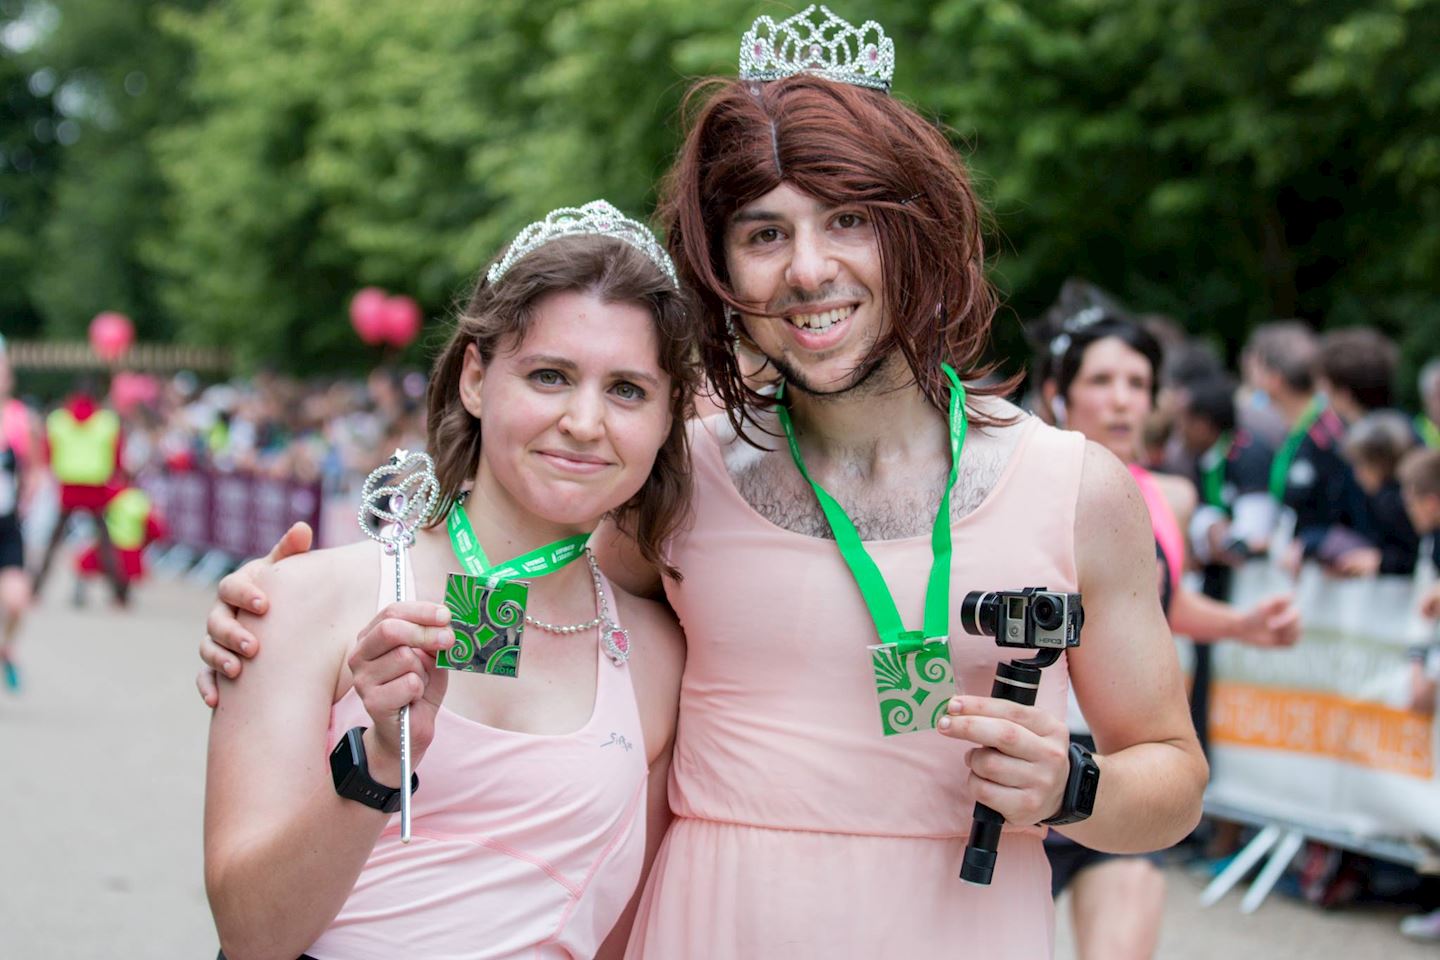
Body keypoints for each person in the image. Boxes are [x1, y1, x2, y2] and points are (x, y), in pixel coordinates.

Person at [200, 8, 1208, 957]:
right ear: (722, 268)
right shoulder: (680, 474)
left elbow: (1171, 772)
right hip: (711, 924)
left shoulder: (1076, 488)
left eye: (849, 220)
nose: (807, 270)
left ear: (920, 230)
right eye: (764, 234)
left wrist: (1072, 785)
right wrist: (284, 623)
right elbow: (523, 585)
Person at [204, 201, 693, 959]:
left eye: (627, 389)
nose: (585, 421)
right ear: (475, 377)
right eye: (550, 375)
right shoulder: (302, 600)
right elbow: (250, 932)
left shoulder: (660, 656)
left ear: (667, 419)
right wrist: (379, 762)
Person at [1038, 310, 1298, 960]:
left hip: (1118, 767)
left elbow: (1153, 604)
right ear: (1057, 393)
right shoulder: (1020, 491)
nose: (1122, 398)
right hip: (1026, 761)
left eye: (1138, 381)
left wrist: (1242, 625)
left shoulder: (1170, 496)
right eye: (1102, 379)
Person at [1246, 321, 1379, 575]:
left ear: (1274, 379)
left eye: (1254, 367)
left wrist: (1316, 542)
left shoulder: (1329, 434)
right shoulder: (1293, 431)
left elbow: (1353, 512)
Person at [0, 335, 38, 691]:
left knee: (16, 602)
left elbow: (35, 468)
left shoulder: (19, 418)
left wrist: (28, 501)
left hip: (8, 527)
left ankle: (6, 647)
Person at [71, 482, 167, 606]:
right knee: (125, 573)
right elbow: (153, 527)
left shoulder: (109, 496)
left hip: (108, 544)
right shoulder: (139, 500)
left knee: (85, 565)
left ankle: (82, 594)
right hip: (129, 546)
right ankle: (122, 598)